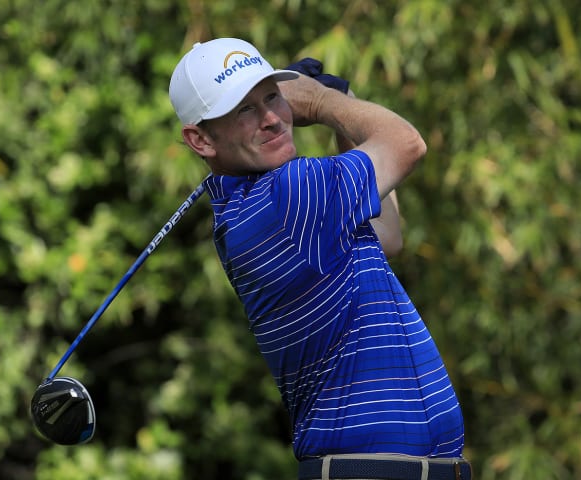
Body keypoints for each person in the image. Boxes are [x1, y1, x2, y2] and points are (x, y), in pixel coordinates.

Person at [169, 38, 471, 480]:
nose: (272, 118)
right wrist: (322, 99)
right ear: (200, 139)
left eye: (272, 96)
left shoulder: (270, 208)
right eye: (244, 110)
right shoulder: (288, 196)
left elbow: (387, 236)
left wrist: (341, 106)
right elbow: (406, 143)